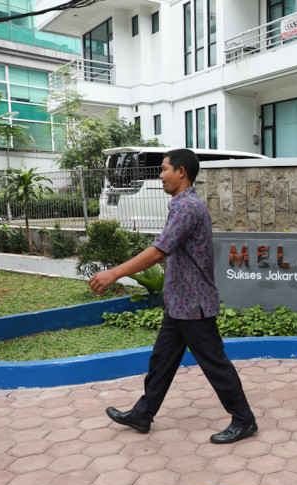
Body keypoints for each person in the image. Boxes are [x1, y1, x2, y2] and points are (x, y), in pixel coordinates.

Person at [89, 148, 258, 444]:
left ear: (181, 172)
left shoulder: (187, 207)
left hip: (193, 305)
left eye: (164, 169)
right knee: (162, 361)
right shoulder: (182, 205)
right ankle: (143, 414)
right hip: (179, 304)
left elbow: (158, 251)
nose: (160, 175)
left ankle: (244, 421)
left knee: (215, 364)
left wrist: (114, 273)